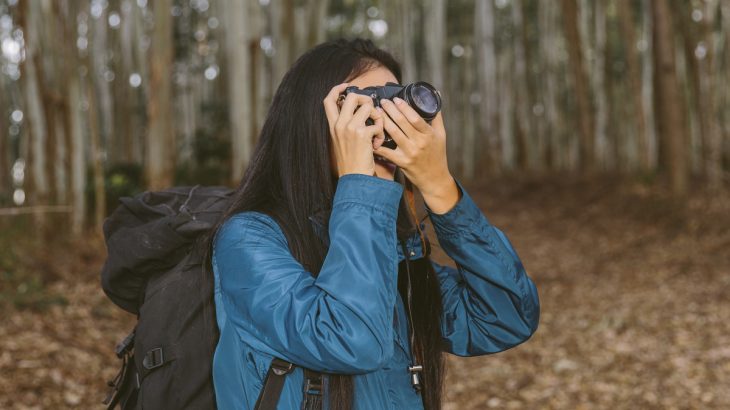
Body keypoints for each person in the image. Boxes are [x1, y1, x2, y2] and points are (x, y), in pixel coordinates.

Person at [204, 38, 540, 410]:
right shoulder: (248, 239)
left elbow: (506, 317)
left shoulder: (392, 245)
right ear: (314, 120)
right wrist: (363, 186)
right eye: (363, 107)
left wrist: (440, 187)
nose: (385, 124)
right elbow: (352, 340)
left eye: (394, 106)